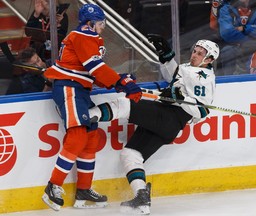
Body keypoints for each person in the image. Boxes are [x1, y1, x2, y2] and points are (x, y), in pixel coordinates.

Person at [89, 35, 220, 214]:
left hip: (171, 117)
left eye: (200, 54)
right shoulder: (189, 68)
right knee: (130, 154)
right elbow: (174, 76)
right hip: (167, 123)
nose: (194, 55)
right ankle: (142, 197)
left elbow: (202, 112)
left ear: (210, 59)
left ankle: (85, 116)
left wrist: (181, 98)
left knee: (125, 103)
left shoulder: (204, 77)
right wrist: (166, 55)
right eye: (195, 51)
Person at [42, 3, 142, 211]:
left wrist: (120, 80)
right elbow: (95, 67)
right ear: (90, 23)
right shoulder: (83, 36)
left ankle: (84, 190)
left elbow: (92, 72)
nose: (102, 27)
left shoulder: (89, 38)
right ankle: (54, 185)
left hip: (80, 89)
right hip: (69, 88)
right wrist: (119, 83)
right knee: (78, 134)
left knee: (90, 135)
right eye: (100, 23)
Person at [217, 0, 256, 75]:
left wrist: (245, 28)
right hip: (235, 46)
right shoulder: (226, 9)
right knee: (227, 51)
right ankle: (229, 82)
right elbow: (227, 33)